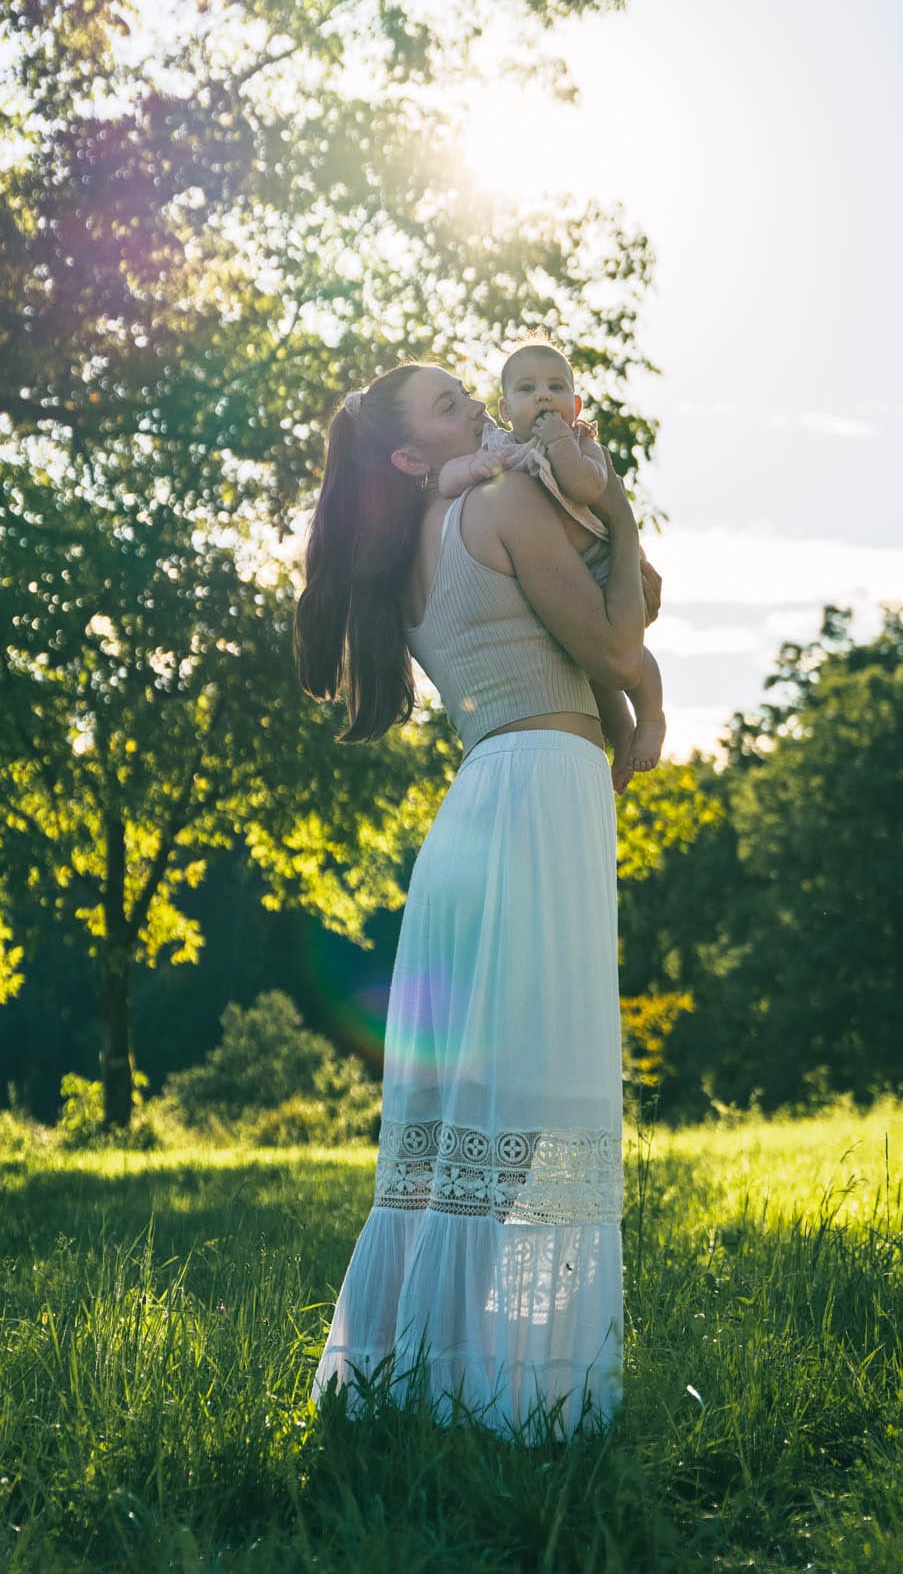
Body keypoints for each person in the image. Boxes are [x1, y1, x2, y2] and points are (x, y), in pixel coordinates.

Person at [293, 360, 658, 1443]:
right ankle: (532, 1398)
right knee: (543, 1096)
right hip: (539, 792)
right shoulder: (496, 501)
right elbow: (613, 642)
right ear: (409, 455)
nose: (476, 411)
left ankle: (433, 1376)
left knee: (476, 1113)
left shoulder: (404, 555)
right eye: (451, 407)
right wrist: (617, 496)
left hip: (478, 808)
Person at [436, 337, 666, 792]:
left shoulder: (583, 446)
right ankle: (617, 737)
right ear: (505, 409)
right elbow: (445, 479)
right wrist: (473, 468)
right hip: (560, 573)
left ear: (575, 405)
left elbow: (585, 488)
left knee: (627, 652)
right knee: (587, 664)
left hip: (599, 562)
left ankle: (652, 717)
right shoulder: (498, 446)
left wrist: (561, 441)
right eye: (527, 389)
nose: (543, 396)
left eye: (556, 388)